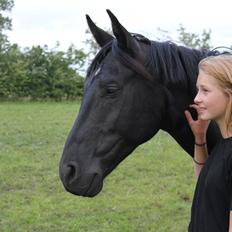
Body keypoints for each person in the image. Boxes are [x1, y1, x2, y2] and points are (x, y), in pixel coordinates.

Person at [184, 54, 232, 232]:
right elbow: (206, 185)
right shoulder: (224, 143)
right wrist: (199, 138)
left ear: (229, 94)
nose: (196, 98)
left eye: (205, 90)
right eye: (198, 90)